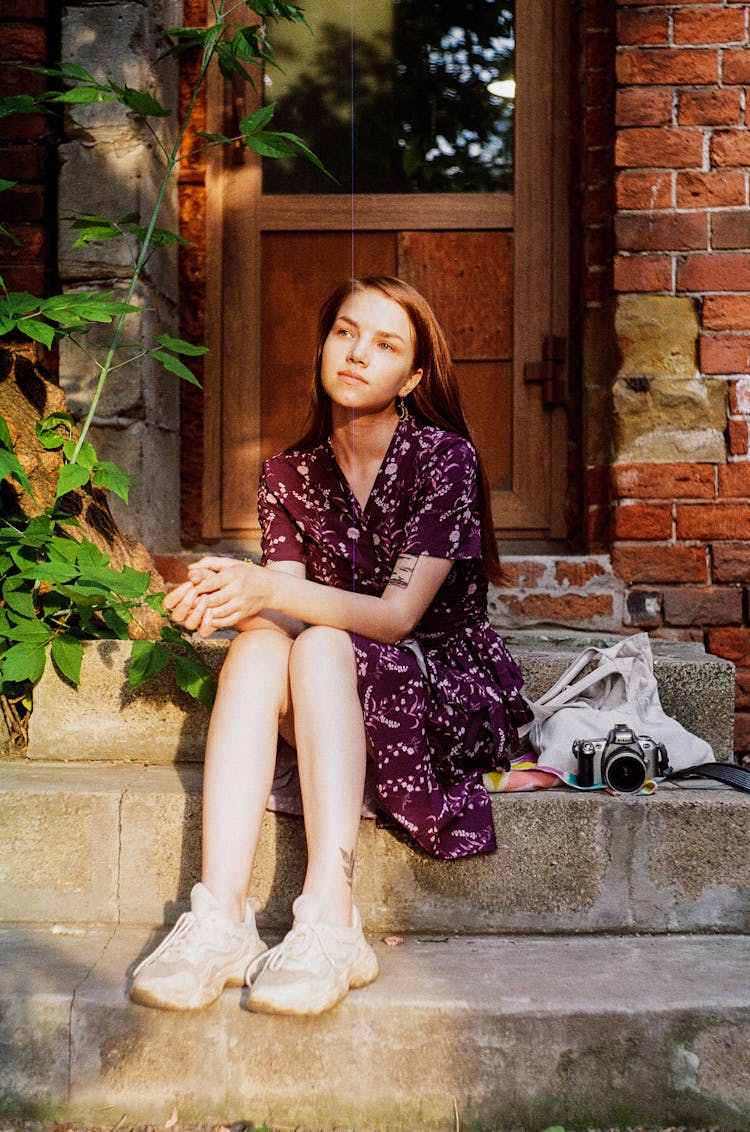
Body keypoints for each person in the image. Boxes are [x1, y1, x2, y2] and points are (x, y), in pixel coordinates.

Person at [129, 275, 531, 1016]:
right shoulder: (288, 473)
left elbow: (396, 617)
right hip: (336, 687)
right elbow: (278, 611)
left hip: (441, 684)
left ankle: (333, 918)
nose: (356, 354)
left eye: (385, 345)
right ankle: (220, 916)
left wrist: (268, 593)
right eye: (345, 332)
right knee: (257, 650)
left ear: (411, 377)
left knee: (318, 647)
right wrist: (221, 602)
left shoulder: (445, 460)